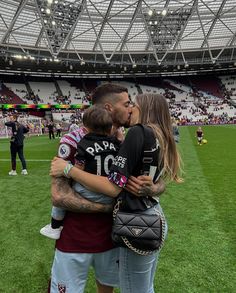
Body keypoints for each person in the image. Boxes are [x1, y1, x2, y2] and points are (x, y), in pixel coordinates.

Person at [50, 93, 182, 293]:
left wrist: (69, 170)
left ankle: (53, 224)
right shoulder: (154, 134)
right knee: (144, 287)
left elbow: (114, 187)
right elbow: (59, 196)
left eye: (133, 104)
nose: (130, 108)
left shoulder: (137, 133)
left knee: (134, 289)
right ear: (109, 108)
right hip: (144, 219)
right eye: (127, 104)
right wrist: (153, 188)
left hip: (131, 223)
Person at [40, 105, 120, 240]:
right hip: (111, 193)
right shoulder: (117, 143)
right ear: (110, 127)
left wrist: (67, 170)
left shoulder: (83, 144)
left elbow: (78, 170)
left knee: (66, 191)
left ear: (86, 128)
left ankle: (54, 226)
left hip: (88, 193)